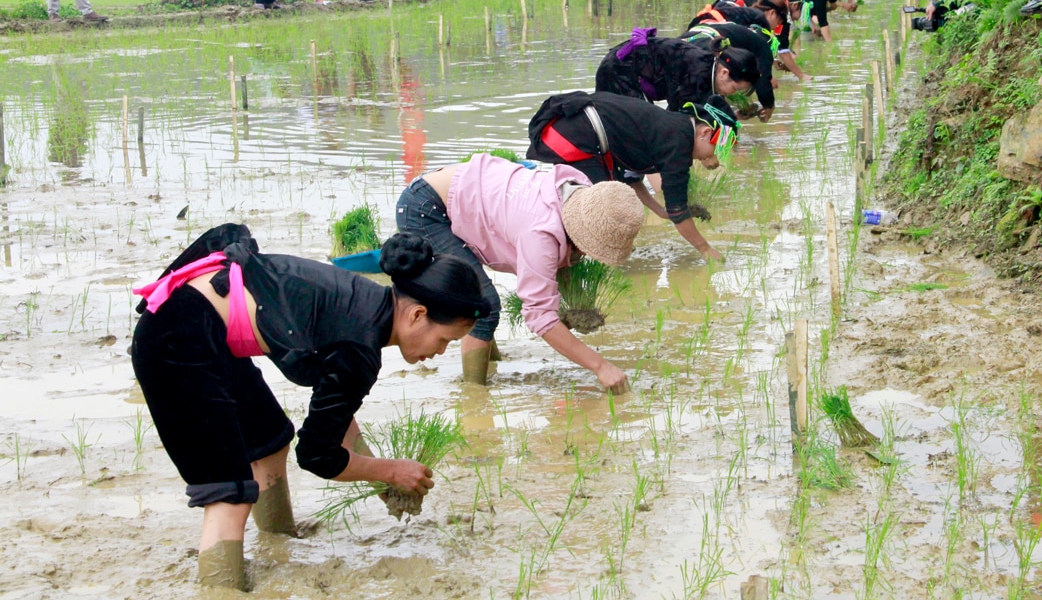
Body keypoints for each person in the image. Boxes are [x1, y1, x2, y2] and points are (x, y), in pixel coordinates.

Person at [130, 224, 487, 589]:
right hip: (175, 341)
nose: (440, 353)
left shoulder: (366, 307)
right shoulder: (359, 347)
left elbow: (336, 415)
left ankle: (280, 543)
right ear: (417, 314)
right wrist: (391, 472)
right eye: (445, 340)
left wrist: (384, 483)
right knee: (228, 493)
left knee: (270, 440)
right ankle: (220, 591)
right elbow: (318, 456)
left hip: (201, 327)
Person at [394, 154, 644, 388]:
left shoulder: (580, 191)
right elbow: (539, 315)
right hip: (427, 208)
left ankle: (489, 364)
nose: (588, 253)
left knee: (477, 298)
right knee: (481, 307)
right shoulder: (540, 233)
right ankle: (475, 396)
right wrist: (600, 366)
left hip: (461, 193)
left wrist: (570, 309)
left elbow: (565, 259)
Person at [526, 91, 739, 260]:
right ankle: (563, 257)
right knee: (603, 209)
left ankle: (573, 255)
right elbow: (679, 212)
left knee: (613, 195)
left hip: (577, 127)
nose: (715, 159)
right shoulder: (678, 145)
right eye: (718, 149)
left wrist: (660, 211)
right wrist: (705, 249)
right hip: (572, 134)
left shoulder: (674, 128)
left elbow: (631, 181)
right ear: (704, 133)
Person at [595, 28, 759, 111]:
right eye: (735, 88)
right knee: (639, 126)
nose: (732, 93)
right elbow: (675, 119)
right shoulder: (696, 73)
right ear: (725, 73)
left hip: (630, 69)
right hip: (619, 69)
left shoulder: (708, 68)